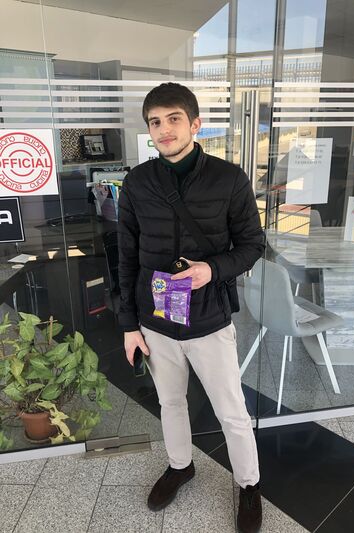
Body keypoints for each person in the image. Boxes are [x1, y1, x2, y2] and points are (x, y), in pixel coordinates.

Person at [118, 82, 264, 533]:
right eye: (155, 122)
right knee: (170, 401)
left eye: (173, 119)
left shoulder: (228, 179)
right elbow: (126, 256)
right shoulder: (138, 182)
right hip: (155, 318)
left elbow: (253, 244)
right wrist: (128, 324)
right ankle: (180, 466)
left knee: (231, 411)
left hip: (209, 319)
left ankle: (249, 484)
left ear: (195, 124)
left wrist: (211, 270)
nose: (164, 129)